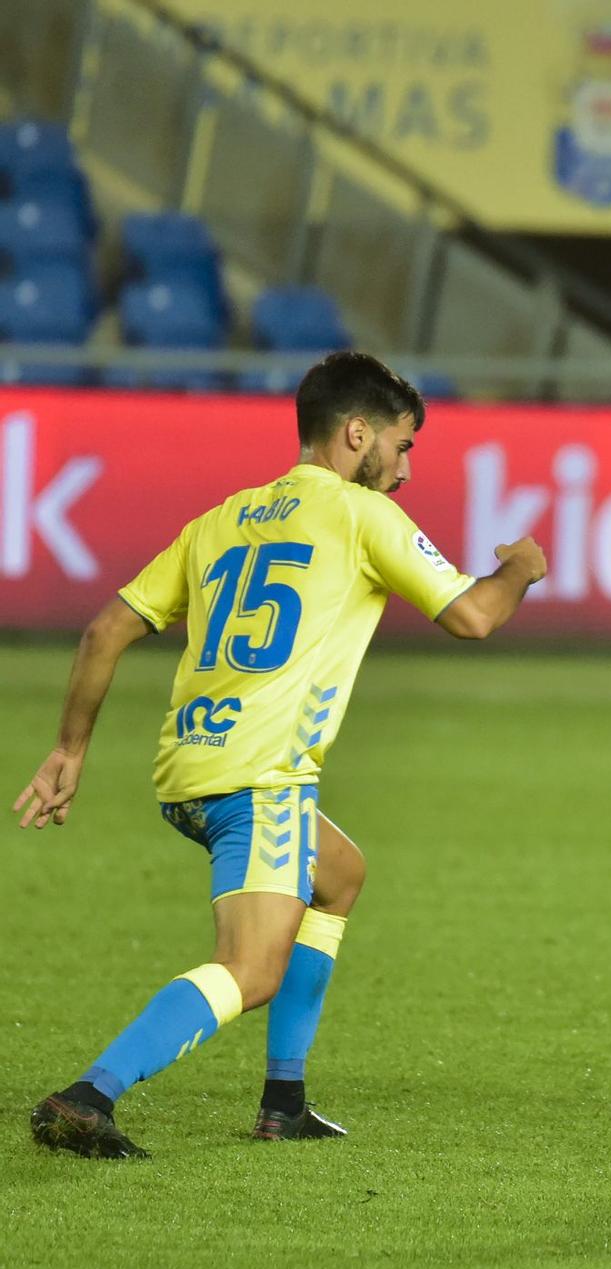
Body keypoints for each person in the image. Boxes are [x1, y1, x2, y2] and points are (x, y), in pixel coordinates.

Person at [17, 352, 547, 1158]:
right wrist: (520, 569)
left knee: (339, 875)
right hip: (262, 779)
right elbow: (474, 615)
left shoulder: (222, 518)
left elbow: (105, 630)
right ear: (357, 433)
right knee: (251, 969)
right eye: (401, 447)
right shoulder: (362, 516)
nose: (405, 471)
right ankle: (89, 1095)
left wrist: (68, 749)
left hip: (189, 771)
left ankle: (284, 1100)